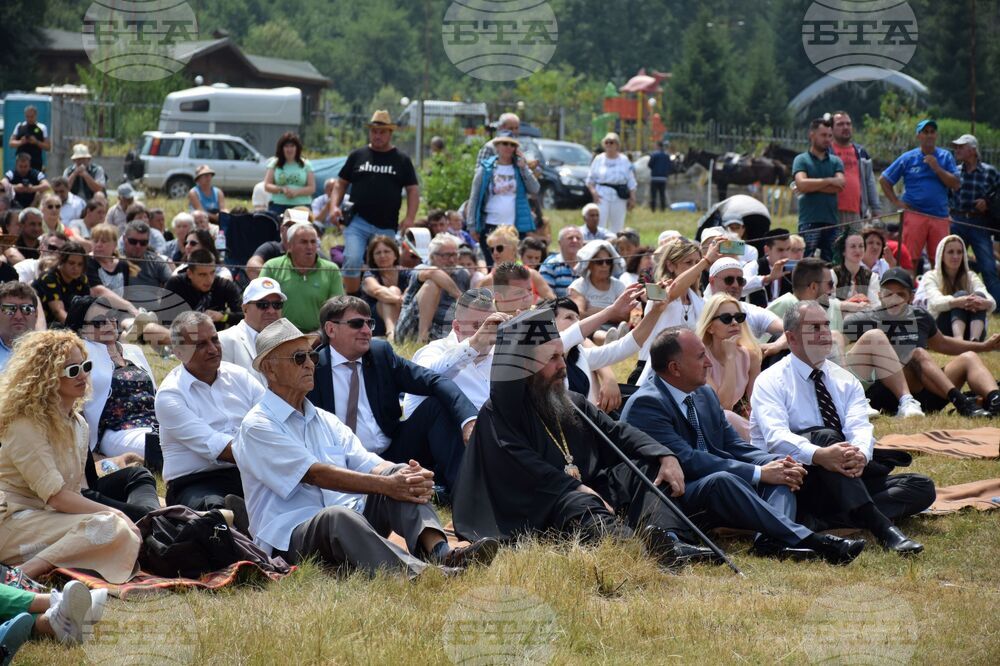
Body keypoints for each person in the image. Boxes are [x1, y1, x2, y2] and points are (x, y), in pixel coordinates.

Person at [452, 308, 718, 567]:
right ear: (526, 366)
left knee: (646, 469)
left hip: (581, 492)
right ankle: (635, 551)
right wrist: (575, 487)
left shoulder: (571, 402)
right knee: (579, 501)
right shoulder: (500, 413)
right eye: (552, 358)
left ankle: (671, 540)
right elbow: (523, 468)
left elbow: (617, 432)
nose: (562, 366)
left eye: (562, 356)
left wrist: (664, 454)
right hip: (534, 506)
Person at [234, 318, 498, 576]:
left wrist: (406, 475)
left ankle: (440, 551)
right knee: (336, 516)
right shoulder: (258, 425)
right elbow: (316, 474)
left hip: (350, 519)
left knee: (397, 474)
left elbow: (369, 462)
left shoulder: (324, 419)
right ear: (269, 369)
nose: (309, 365)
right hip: (290, 539)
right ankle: (422, 573)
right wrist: (387, 484)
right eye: (298, 358)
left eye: (311, 357)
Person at [622, 327, 866, 564]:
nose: (709, 362)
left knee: (781, 475)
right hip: (676, 495)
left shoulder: (703, 393)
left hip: (715, 485)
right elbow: (688, 460)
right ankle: (813, 540)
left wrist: (774, 464)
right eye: (700, 356)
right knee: (726, 480)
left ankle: (769, 543)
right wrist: (759, 473)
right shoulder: (647, 404)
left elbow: (735, 445)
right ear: (675, 368)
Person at [750, 301, 934, 554]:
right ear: (791, 338)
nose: (825, 332)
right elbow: (775, 438)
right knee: (826, 437)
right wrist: (820, 455)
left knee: (921, 486)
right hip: (797, 480)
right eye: (814, 327)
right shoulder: (771, 380)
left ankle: (821, 521)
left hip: (844, 477)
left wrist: (860, 454)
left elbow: (860, 426)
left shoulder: (844, 379)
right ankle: (881, 527)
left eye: (826, 325)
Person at [0, 330, 141, 583]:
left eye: (85, 366)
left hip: (48, 521)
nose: (83, 375)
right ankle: (23, 573)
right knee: (113, 526)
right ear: (46, 376)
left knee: (118, 530)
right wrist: (115, 513)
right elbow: (57, 497)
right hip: (12, 522)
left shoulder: (78, 424)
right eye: (72, 370)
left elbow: (74, 494)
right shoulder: (25, 424)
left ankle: (38, 565)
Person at [308, 296, 478, 494]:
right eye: (356, 324)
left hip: (390, 453)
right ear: (330, 329)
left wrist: (468, 420)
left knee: (435, 407)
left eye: (369, 323)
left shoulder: (380, 354)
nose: (366, 331)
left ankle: (465, 497)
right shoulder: (312, 367)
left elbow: (435, 381)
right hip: (335, 460)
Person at [844, 267, 1000, 417]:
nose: (894, 299)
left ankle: (996, 399)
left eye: (900, 294)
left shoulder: (920, 316)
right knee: (917, 353)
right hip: (890, 395)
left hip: (928, 393)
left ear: (911, 297)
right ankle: (962, 402)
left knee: (969, 358)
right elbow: (838, 338)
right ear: (879, 295)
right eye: (888, 294)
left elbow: (943, 343)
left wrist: (984, 346)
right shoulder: (866, 318)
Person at [63, 296, 161, 521]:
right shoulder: (82, 354)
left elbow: (154, 393)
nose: (108, 325)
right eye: (98, 323)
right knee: (163, 446)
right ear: (80, 329)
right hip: (118, 429)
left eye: (112, 320)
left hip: (154, 422)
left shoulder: (133, 351)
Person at [157, 312, 266, 512]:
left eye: (215, 340)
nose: (213, 349)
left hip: (248, 472)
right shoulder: (170, 395)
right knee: (216, 512)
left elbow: (272, 420)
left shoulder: (239, 376)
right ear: (178, 353)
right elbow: (217, 448)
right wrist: (271, 451)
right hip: (195, 482)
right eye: (200, 345)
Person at [328, 111, 420, 294]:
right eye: (374, 131)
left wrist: (410, 217)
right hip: (357, 221)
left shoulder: (401, 160)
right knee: (352, 258)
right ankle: (353, 300)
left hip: (386, 225)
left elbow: (413, 190)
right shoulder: (357, 155)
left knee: (386, 263)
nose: (377, 135)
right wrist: (333, 206)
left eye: (382, 132)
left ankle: (383, 299)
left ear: (390, 133)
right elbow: (341, 183)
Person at [880, 119, 961, 268]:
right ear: (918, 136)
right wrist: (896, 202)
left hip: (939, 216)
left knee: (940, 261)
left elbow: (956, 184)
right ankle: (908, 290)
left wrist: (937, 168)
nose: (929, 135)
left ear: (936, 135)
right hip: (914, 214)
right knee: (909, 259)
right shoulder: (908, 158)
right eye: (925, 132)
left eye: (932, 132)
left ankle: (938, 290)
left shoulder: (945, 157)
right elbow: (884, 180)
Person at [633, 238, 709, 385]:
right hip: (652, 374)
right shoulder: (659, 291)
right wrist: (706, 261)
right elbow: (671, 293)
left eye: (697, 262)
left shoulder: (700, 302)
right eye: (689, 263)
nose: (696, 268)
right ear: (670, 265)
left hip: (686, 374)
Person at [467, 130, 539, 266]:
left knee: (515, 265)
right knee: (493, 265)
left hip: (514, 226)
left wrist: (524, 168)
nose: (508, 148)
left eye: (512, 145)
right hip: (490, 225)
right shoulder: (486, 168)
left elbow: (535, 188)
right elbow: (474, 197)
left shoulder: (519, 168)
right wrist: (472, 226)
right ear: (497, 146)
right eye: (505, 144)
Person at [696, 294, 762, 439]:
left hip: (733, 427)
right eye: (726, 319)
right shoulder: (699, 358)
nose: (734, 323)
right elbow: (722, 406)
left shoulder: (750, 356)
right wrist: (730, 358)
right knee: (728, 417)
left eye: (739, 317)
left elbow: (757, 404)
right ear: (710, 328)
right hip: (704, 425)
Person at [260, 223, 344, 332]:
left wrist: (319, 334)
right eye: (304, 242)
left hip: (319, 337)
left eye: (313, 242)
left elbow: (337, 311)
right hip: (278, 335)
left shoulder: (331, 270)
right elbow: (261, 305)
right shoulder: (272, 267)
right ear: (290, 246)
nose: (309, 246)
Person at [949, 134, 1000, 303]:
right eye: (956, 147)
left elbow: (998, 196)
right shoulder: (954, 172)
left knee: (988, 266)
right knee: (951, 263)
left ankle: (996, 305)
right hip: (956, 221)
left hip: (980, 223)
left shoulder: (990, 172)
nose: (957, 150)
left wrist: (988, 202)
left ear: (972, 150)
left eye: (961, 147)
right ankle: (951, 299)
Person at [394, 234, 469, 344]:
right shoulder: (421, 268)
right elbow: (433, 272)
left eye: (455, 255)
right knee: (432, 284)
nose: (452, 260)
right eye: (447, 255)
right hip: (411, 328)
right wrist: (459, 296)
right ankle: (422, 339)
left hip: (444, 327)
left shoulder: (462, 273)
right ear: (433, 256)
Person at [922, 234, 995, 341]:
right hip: (942, 329)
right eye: (951, 252)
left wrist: (986, 303)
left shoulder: (970, 276)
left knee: (979, 296)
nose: (956, 256)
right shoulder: (930, 276)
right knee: (961, 295)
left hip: (970, 329)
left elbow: (989, 299)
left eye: (959, 252)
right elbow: (935, 302)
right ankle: (959, 340)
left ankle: (974, 339)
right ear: (941, 255)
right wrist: (957, 301)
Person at [793, 118, 845, 261]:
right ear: (812, 135)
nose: (827, 139)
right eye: (823, 135)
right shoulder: (801, 160)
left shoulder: (836, 161)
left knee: (831, 262)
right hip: (809, 220)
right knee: (806, 261)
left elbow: (840, 185)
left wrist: (812, 187)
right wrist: (829, 180)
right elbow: (802, 184)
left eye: (829, 136)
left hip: (832, 221)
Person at [219, 276, 286, 384]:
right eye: (262, 305)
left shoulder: (289, 341)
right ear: (245, 308)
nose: (271, 310)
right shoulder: (224, 341)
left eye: (277, 305)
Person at [163, 249, 243, 330]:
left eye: (212, 273)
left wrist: (223, 316)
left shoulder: (223, 285)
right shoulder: (176, 284)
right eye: (202, 275)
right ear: (190, 273)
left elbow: (243, 316)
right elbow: (164, 318)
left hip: (215, 337)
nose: (209, 280)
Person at [830, 111, 881, 230]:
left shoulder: (861, 152)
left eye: (848, 124)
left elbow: (870, 181)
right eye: (840, 124)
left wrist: (876, 209)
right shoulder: (826, 152)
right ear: (831, 129)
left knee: (855, 247)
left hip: (856, 213)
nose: (845, 127)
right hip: (831, 212)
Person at [478, 226, 553, 302]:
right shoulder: (487, 281)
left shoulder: (532, 274)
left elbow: (552, 300)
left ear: (513, 249)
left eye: (499, 248)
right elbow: (474, 307)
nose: (495, 252)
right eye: (491, 249)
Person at [358, 235, 412, 340]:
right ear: (373, 257)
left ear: (395, 255)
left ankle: (393, 334)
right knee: (390, 293)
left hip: (403, 315)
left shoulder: (405, 272)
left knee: (394, 290)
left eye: (387, 251)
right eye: (378, 253)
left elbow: (413, 287)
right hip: (375, 321)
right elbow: (377, 291)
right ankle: (392, 334)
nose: (382, 256)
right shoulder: (369, 275)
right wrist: (400, 300)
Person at [586, 133, 637, 234]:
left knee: (617, 224)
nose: (609, 145)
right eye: (606, 142)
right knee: (600, 221)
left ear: (617, 145)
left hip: (619, 195)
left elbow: (631, 180)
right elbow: (590, 180)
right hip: (602, 194)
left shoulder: (624, 160)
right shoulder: (598, 159)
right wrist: (593, 193)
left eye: (612, 142)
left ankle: (615, 246)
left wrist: (632, 197)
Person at [568, 240, 627, 325]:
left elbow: (625, 316)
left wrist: (596, 311)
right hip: (589, 330)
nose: (604, 265)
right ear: (589, 265)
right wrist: (612, 313)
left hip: (615, 328)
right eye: (599, 262)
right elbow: (578, 315)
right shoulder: (578, 286)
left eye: (608, 262)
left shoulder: (619, 286)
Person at [31, 241, 88, 324]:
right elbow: (58, 311)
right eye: (71, 263)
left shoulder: (82, 279)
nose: (76, 268)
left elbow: (86, 308)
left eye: (80, 264)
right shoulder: (49, 278)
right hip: (43, 325)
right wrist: (77, 329)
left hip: (64, 325)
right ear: (62, 261)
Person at [264, 133, 315, 217]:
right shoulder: (274, 163)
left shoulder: (306, 164)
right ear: (282, 148)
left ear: (297, 148)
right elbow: (267, 185)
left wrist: (296, 192)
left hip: (302, 206)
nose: (289, 149)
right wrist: (281, 189)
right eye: (286, 146)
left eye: (292, 146)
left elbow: (312, 188)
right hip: (278, 206)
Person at [833, 231, 881, 311]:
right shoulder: (833, 274)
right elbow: (828, 302)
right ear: (843, 251)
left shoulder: (872, 277)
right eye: (853, 246)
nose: (858, 250)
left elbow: (875, 304)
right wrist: (848, 305)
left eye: (861, 246)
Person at [747, 228, 793, 308]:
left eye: (788, 249)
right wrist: (768, 278)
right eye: (780, 250)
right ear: (767, 250)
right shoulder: (754, 266)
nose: (785, 255)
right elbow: (742, 284)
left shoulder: (793, 268)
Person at [0, 282, 40, 372]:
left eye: (27, 309)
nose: (18, 316)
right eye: (9, 309)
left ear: (36, 314)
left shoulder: (50, 352)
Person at [246, 210, 297, 279]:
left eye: (298, 226)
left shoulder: (311, 250)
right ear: (282, 229)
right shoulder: (272, 248)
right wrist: (275, 279)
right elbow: (252, 266)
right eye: (290, 226)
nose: (294, 229)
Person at [123, 220, 171, 288]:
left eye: (143, 242)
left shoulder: (156, 263)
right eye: (133, 241)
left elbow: (173, 284)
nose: (138, 246)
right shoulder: (115, 260)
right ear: (124, 239)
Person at [539, 226, 584, 297]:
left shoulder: (588, 264)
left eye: (578, 238)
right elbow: (548, 297)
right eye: (570, 238)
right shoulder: (550, 264)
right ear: (560, 243)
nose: (575, 240)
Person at [7, 106, 49, 171]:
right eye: (27, 116)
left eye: (31, 116)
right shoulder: (20, 126)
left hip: (35, 163)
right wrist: (21, 142)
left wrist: (36, 142)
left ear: (36, 115)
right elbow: (11, 143)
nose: (29, 119)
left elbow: (48, 147)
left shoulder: (42, 127)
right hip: (21, 163)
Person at [647, 141, 673, 212]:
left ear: (658, 146)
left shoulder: (654, 155)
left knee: (653, 195)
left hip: (654, 178)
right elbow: (670, 166)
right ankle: (662, 209)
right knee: (662, 195)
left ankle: (653, 210)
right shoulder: (667, 156)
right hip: (663, 178)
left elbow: (649, 165)